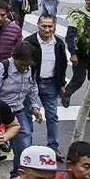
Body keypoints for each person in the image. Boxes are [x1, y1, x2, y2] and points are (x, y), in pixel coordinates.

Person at [0, 42, 45, 178]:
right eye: (21, 64)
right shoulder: (2, 68)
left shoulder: (32, 68)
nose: (24, 68)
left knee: (24, 147)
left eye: (27, 64)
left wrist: (35, 107)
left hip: (18, 112)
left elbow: (33, 87)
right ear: (13, 57)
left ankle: (17, 177)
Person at [23, 14, 69, 158]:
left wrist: (61, 84)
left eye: (50, 26)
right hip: (32, 84)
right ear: (38, 25)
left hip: (51, 84)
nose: (47, 29)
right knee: (28, 114)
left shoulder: (58, 43)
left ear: (54, 27)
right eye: (44, 26)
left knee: (52, 116)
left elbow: (62, 65)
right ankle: (27, 146)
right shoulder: (29, 42)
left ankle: (53, 146)